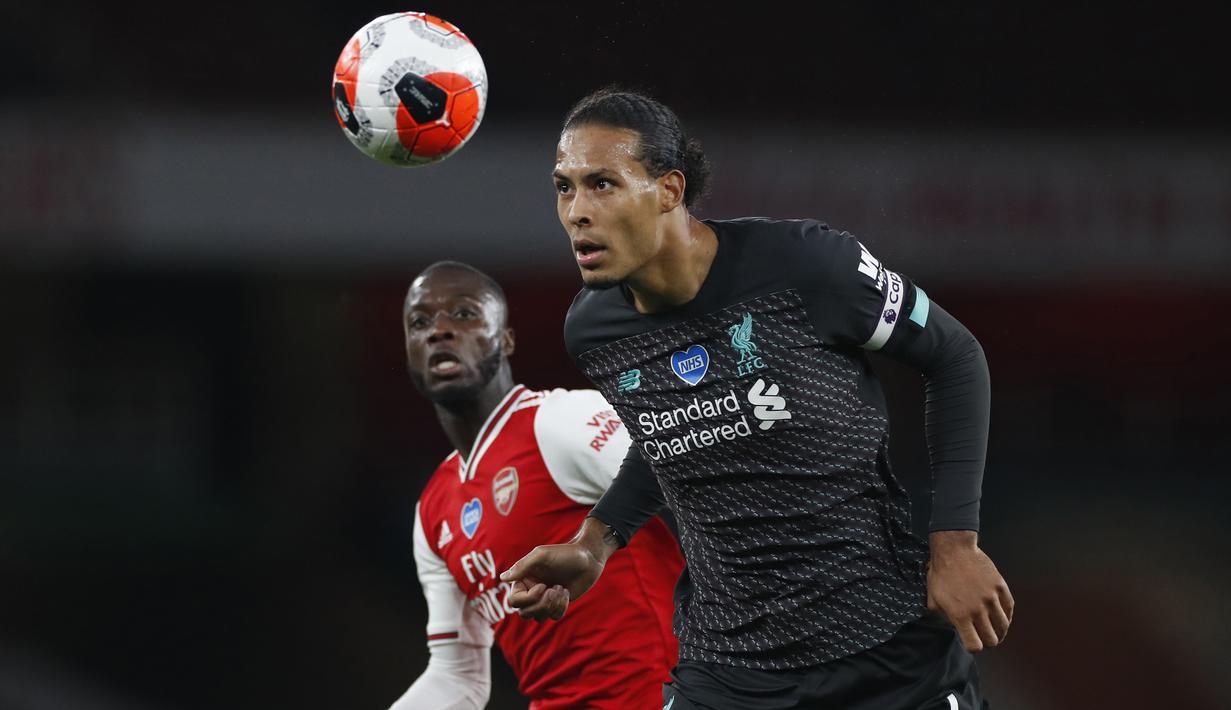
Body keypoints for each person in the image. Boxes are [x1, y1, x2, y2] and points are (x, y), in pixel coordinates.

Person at [499, 89, 1015, 710]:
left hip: (885, 651)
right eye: (564, 187)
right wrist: (595, 542)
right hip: (730, 670)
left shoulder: (804, 265)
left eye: (603, 184)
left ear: (669, 190)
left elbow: (955, 355)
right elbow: (669, 435)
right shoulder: (593, 330)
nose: (577, 211)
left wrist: (955, 543)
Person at [390, 261, 684, 710]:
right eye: (420, 322)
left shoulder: (562, 422)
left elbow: (698, 478)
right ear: (409, 350)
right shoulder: (434, 508)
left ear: (506, 339)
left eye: (465, 314)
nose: (440, 331)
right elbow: (458, 676)